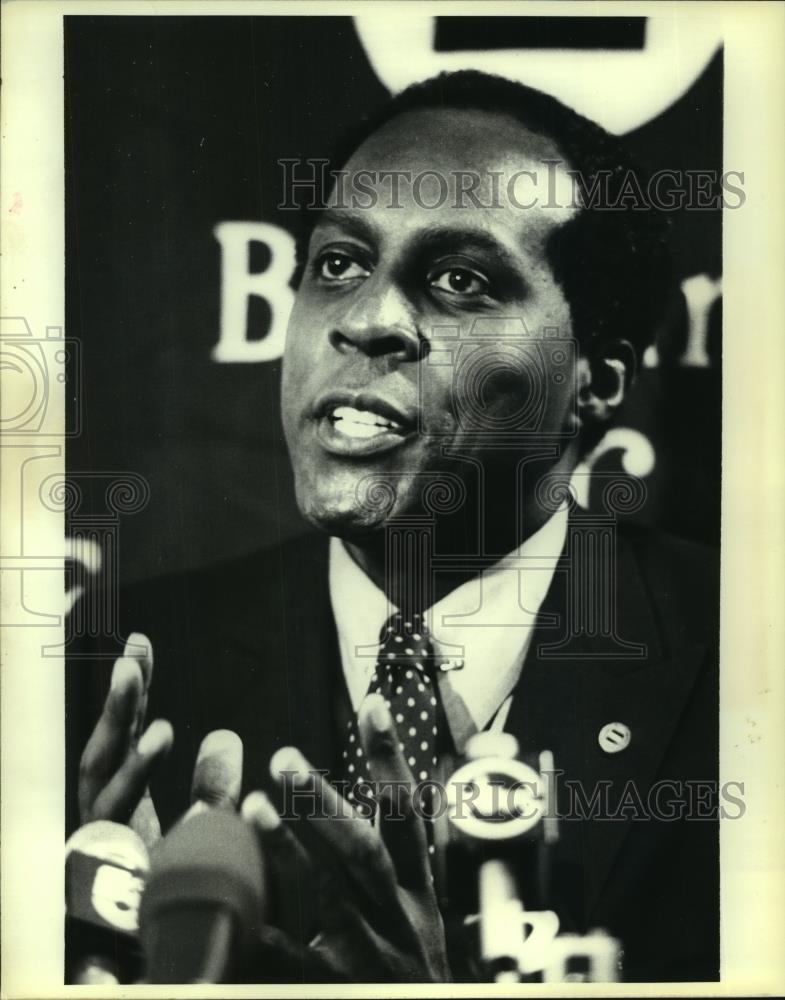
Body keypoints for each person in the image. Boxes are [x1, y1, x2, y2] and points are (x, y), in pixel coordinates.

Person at [69, 70, 719, 982]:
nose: (368, 318)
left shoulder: (744, 660)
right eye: (337, 263)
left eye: (460, 280)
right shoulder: (92, 679)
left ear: (596, 381)